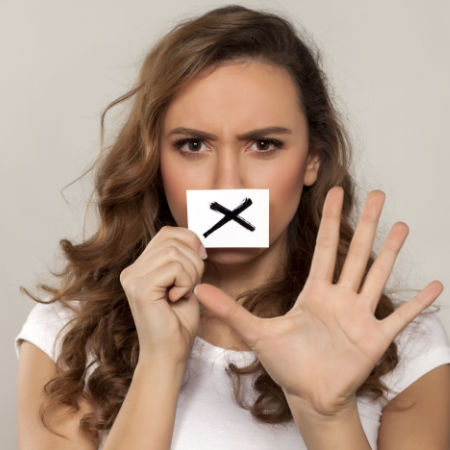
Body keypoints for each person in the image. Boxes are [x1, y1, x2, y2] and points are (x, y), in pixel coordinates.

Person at [15, 5, 450, 450]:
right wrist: (161, 364)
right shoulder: (65, 338)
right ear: (155, 161)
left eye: (264, 145)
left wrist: (328, 416)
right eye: (193, 145)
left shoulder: (402, 347)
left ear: (312, 160)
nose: (228, 183)